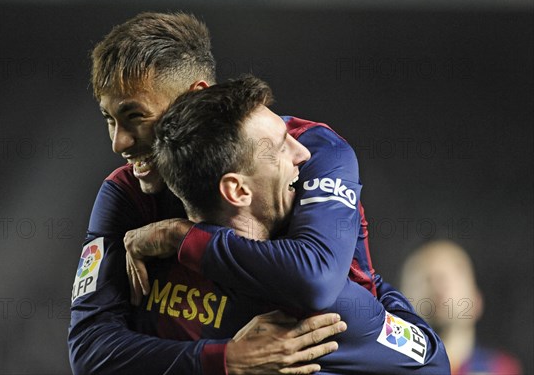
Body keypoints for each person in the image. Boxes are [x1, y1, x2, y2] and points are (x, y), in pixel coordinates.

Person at [69, 11, 347, 375]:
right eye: (109, 119)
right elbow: (90, 350)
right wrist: (225, 359)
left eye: (135, 116)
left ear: (193, 97)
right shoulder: (125, 194)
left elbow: (319, 278)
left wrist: (184, 237)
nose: (118, 142)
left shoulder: (303, 151)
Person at [129, 75, 450, 373]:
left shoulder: (152, 284)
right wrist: (373, 283)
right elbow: (432, 363)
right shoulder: (324, 308)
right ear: (237, 190)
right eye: (282, 146)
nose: (302, 153)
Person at [400, 240, 522, 375]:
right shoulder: (386, 368)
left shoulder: (500, 369)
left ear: (477, 300)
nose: (438, 288)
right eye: (426, 279)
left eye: (448, 278)